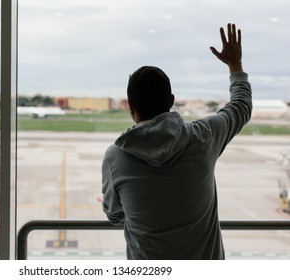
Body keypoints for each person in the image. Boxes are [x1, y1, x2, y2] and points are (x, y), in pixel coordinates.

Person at [101, 23, 252, 259]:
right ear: (171, 101)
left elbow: (115, 216)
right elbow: (240, 107)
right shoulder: (203, 136)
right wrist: (235, 66)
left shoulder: (116, 156)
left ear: (131, 107)